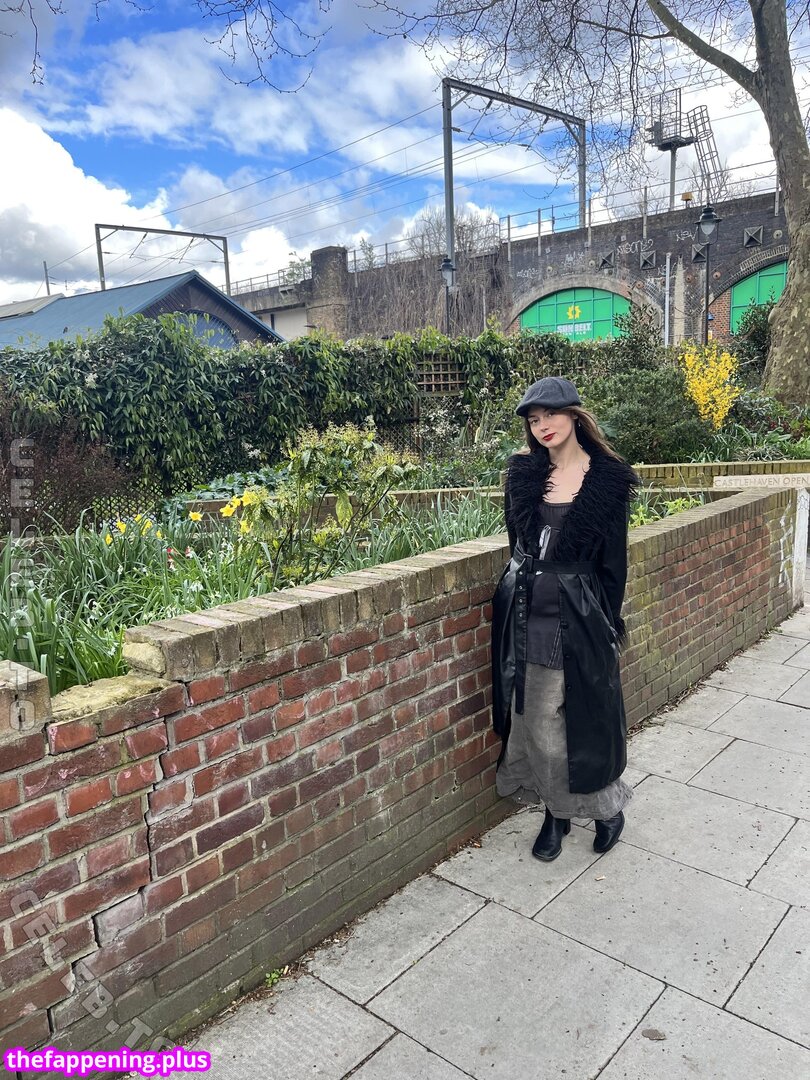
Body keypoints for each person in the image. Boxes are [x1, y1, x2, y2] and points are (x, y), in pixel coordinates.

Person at [490, 376, 640, 861]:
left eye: (550, 415)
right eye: (534, 420)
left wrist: (607, 623)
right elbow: (517, 543)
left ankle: (605, 810)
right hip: (526, 611)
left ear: (574, 415)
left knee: (582, 723)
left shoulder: (608, 480)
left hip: (579, 613)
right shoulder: (523, 475)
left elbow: (613, 565)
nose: (542, 426)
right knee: (535, 721)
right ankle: (557, 814)